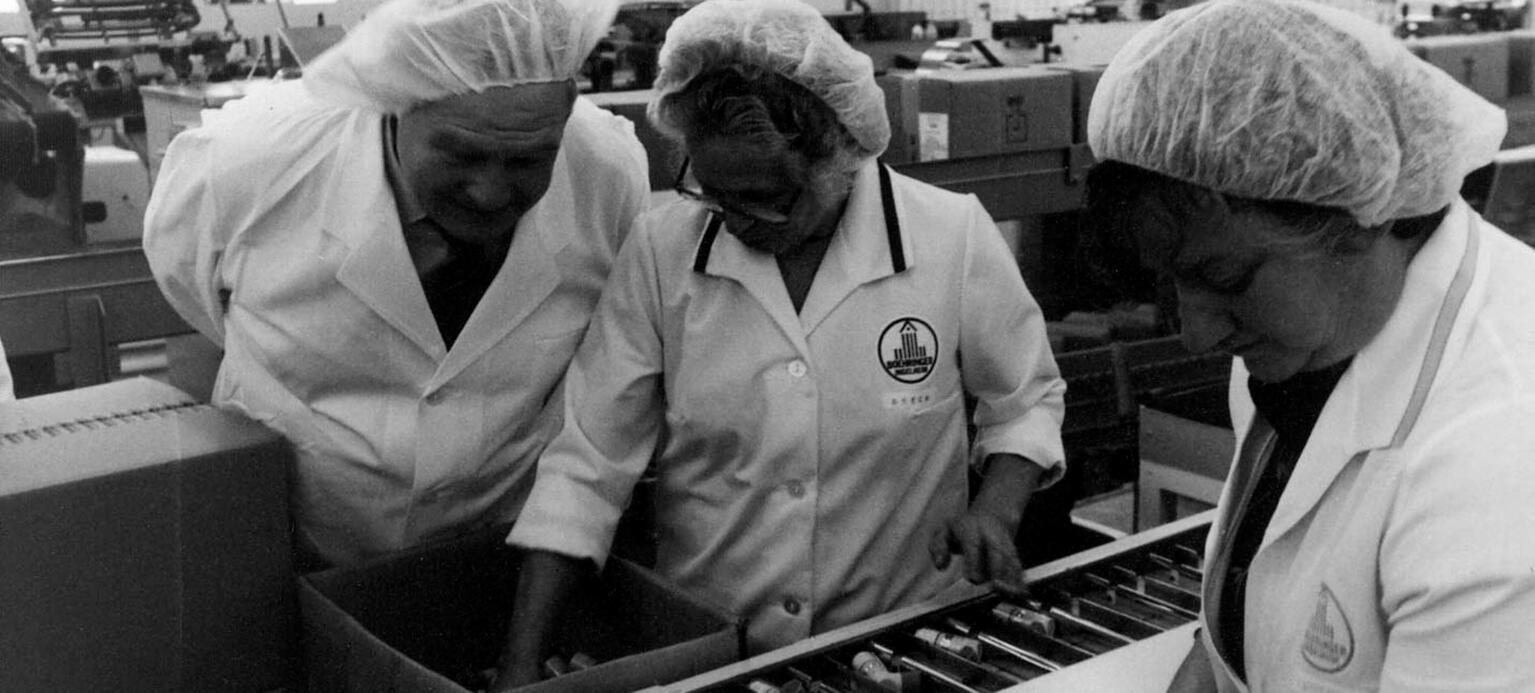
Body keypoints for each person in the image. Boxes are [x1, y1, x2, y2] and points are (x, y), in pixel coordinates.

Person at [495, 0, 1066, 684]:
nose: (736, 224)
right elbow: (588, 463)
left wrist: (994, 512)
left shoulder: (948, 236)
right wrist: (521, 662)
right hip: (718, 649)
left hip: (900, 639)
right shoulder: (661, 251)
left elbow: (1024, 399)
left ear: (841, 153)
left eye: (768, 198)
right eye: (713, 194)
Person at [1084, 0, 1535, 690]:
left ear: (1354, 218)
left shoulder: (1499, 463)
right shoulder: (1299, 338)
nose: (1197, 333)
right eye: (1174, 283)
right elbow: (1230, 646)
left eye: (1226, 278)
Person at [143, 0, 650, 568]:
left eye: (529, 161)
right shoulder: (249, 162)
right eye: (461, 154)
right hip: (293, 541)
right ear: (398, 101)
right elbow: (188, 283)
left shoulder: (607, 173)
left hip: (494, 551)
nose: (489, 192)